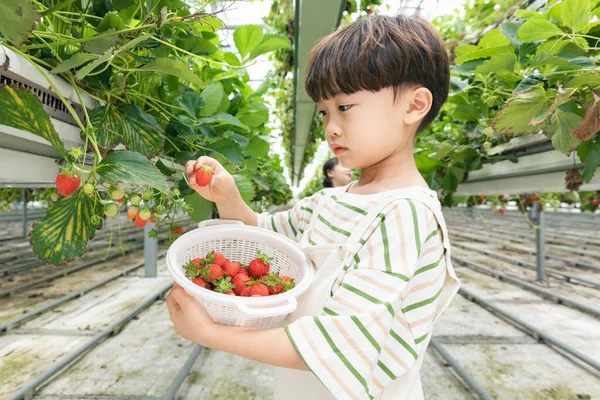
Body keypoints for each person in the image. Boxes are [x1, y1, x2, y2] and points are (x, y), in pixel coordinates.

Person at [167, 13, 459, 400]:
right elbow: (266, 234)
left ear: (414, 105)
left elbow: (337, 343)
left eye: (346, 107)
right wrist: (228, 198)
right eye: (324, 111)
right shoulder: (331, 200)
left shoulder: (405, 215)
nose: (331, 127)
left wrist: (211, 334)